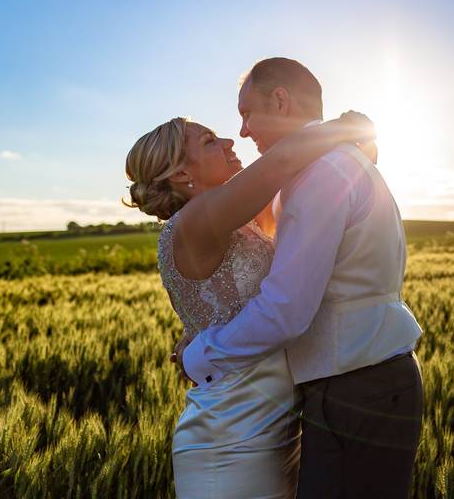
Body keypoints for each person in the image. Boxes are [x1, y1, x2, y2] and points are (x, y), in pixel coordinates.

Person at [177, 57, 424, 499]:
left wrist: (201, 355)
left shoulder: (319, 174)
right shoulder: (331, 164)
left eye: (247, 113)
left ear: (280, 100)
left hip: (354, 385)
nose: (245, 131)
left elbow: (287, 309)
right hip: (359, 378)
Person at [125, 110, 375, 499]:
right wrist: (348, 126)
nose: (229, 142)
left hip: (275, 423)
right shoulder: (194, 221)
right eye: (209, 141)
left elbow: (301, 180)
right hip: (229, 434)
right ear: (179, 174)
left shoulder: (237, 217)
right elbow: (285, 160)